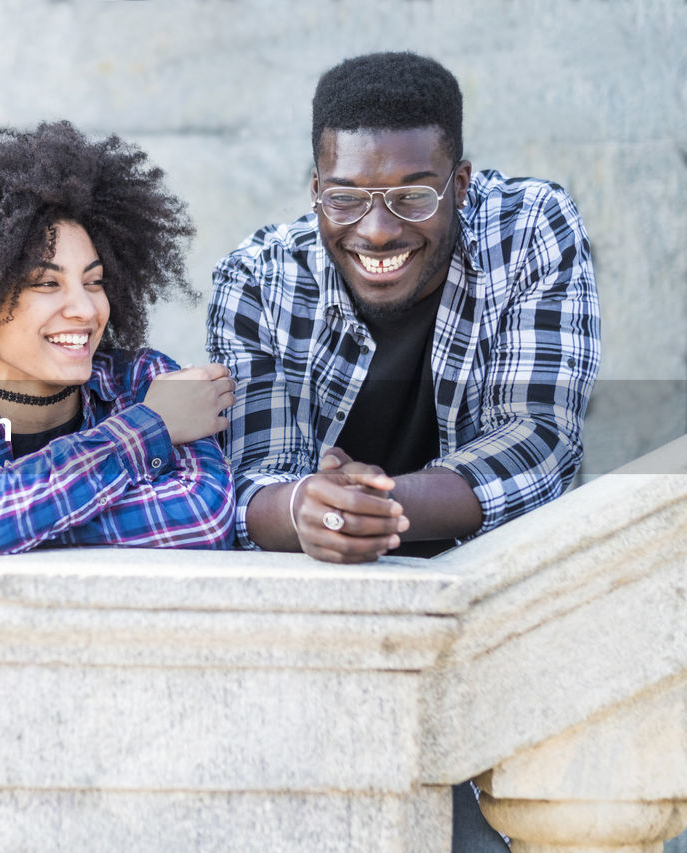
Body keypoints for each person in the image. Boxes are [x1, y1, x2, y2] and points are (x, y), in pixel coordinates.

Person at [206, 52, 601, 849]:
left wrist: (370, 508)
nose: (378, 228)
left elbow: (541, 441)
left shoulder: (530, 227)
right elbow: (248, 484)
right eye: (344, 197)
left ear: (459, 182)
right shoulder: (255, 277)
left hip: (507, 627)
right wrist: (304, 508)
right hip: (326, 654)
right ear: (315, 187)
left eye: (413, 195)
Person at [0, 120, 236, 853]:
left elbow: (206, 513)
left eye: (94, 282)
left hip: (135, 768)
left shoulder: (138, 379)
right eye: (45, 285)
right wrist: (150, 431)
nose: (84, 309)